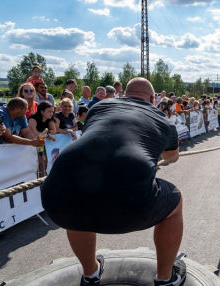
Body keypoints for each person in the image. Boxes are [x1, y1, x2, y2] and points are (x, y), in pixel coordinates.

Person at [41, 77, 186, 286]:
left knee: (77, 195)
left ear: (125, 94)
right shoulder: (162, 119)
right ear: (153, 98)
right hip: (132, 205)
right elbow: (171, 156)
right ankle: (165, 278)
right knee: (176, 201)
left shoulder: (99, 108)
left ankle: (91, 274)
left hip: (56, 196)